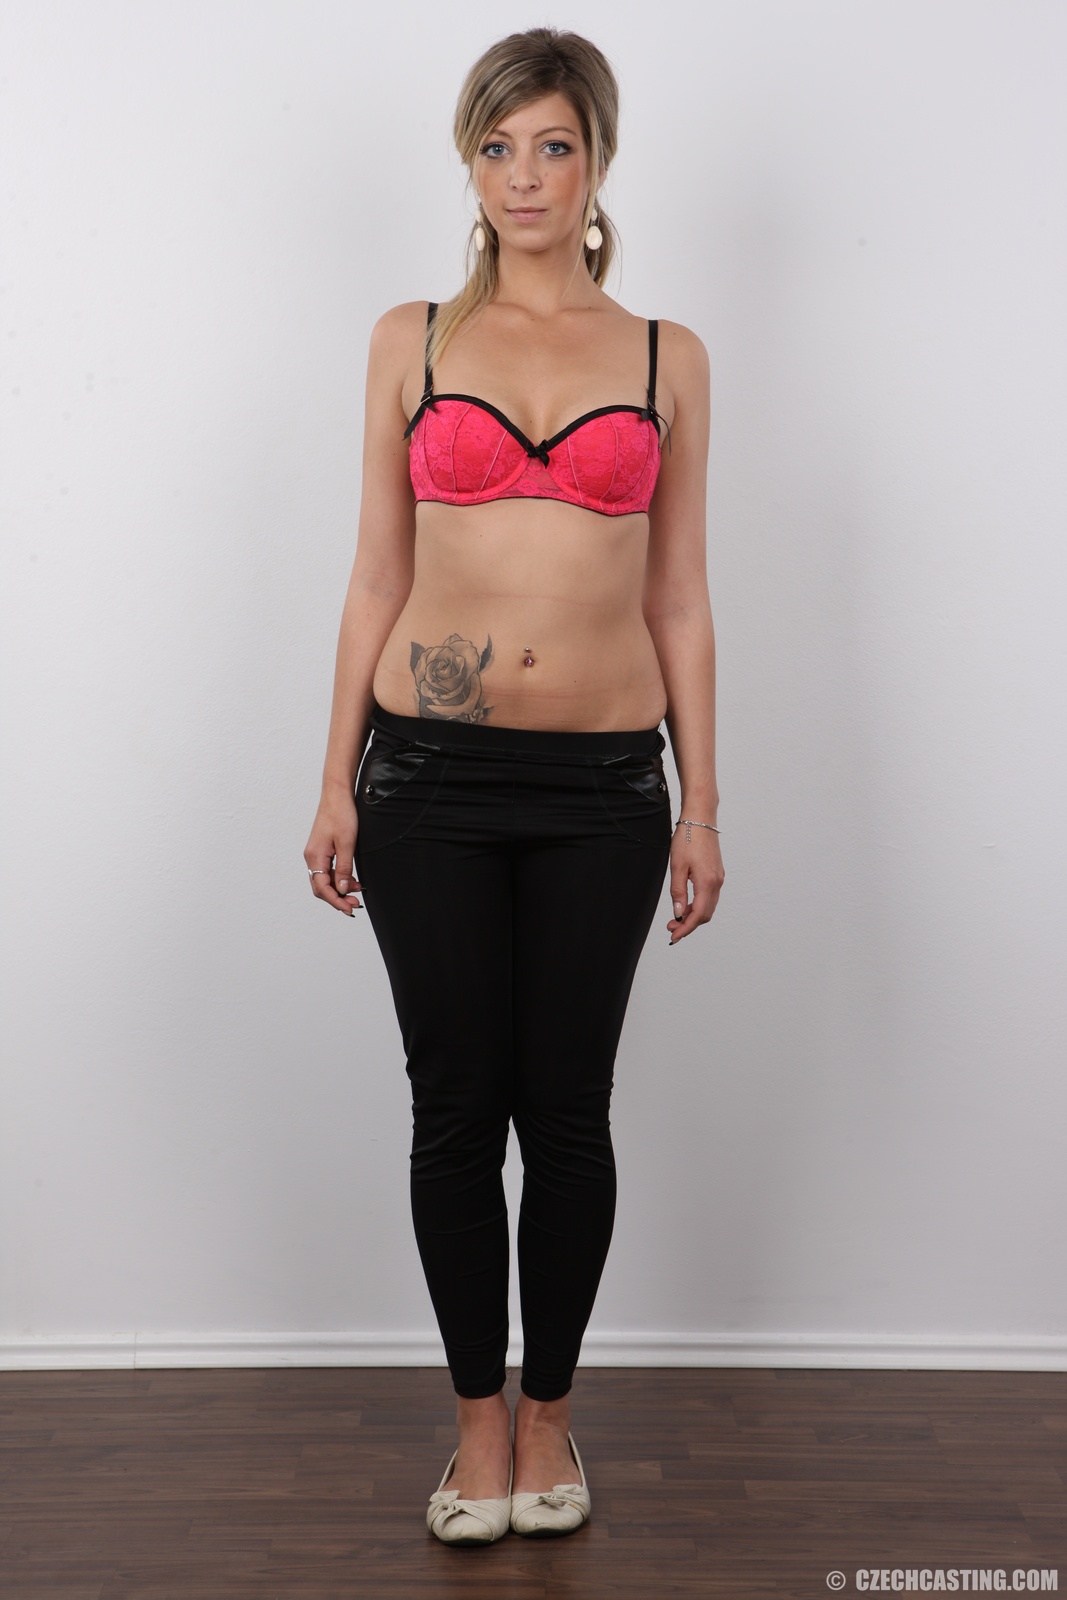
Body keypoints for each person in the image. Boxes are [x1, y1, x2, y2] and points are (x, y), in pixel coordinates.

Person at [303, 25, 723, 1546]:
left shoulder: (668, 355)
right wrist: (335, 782)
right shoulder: (410, 340)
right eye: (497, 147)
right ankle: (478, 1423)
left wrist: (703, 803)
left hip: (607, 786)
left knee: (571, 1112)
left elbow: (679, 596)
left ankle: (552, 1413)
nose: (524, 176)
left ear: (596, 161)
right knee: (454, 1110)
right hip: (427, 772)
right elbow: (375, 575)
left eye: (553, 146)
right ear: (468, 164)